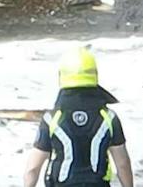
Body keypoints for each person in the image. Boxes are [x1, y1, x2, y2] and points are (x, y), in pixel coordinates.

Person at [22, 46, 135, 187]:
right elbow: (122, 164)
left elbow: (32, 169)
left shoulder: (52, 119)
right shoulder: (109, 118)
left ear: (62, 76)